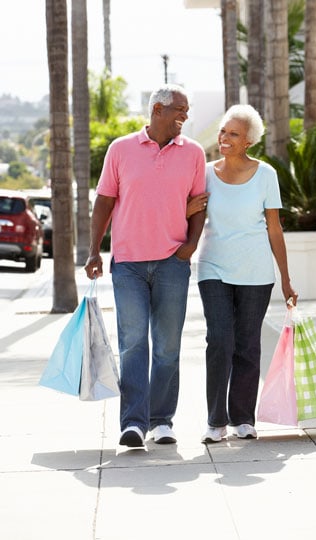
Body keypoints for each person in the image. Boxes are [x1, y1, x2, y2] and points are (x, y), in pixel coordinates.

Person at [84, 84, 207, 448]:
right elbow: (104, 202)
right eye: (179, 110)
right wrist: (94, 251)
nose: (185, 116)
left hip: (173, 263)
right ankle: (133, 423)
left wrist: (190, 246)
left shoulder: (194, 153)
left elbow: (199, 204)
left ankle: (162, 421)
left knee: (167, 346)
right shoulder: (121, 149)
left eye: (187, 110)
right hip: (129, 265)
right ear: (157, 109)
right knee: (133, 344)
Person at [193, 104, 298, 444]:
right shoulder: (205, 172)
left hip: (256, 271)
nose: (224, 137)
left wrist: (285, 278)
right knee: (220, 340)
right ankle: (215, 420)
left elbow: (274, 228)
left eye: (233, 133)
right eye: (224, 131)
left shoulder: (266, 175)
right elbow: (186, 212)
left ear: (249, 141)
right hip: (213, 267)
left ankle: (242, 418)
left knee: (248, 345)